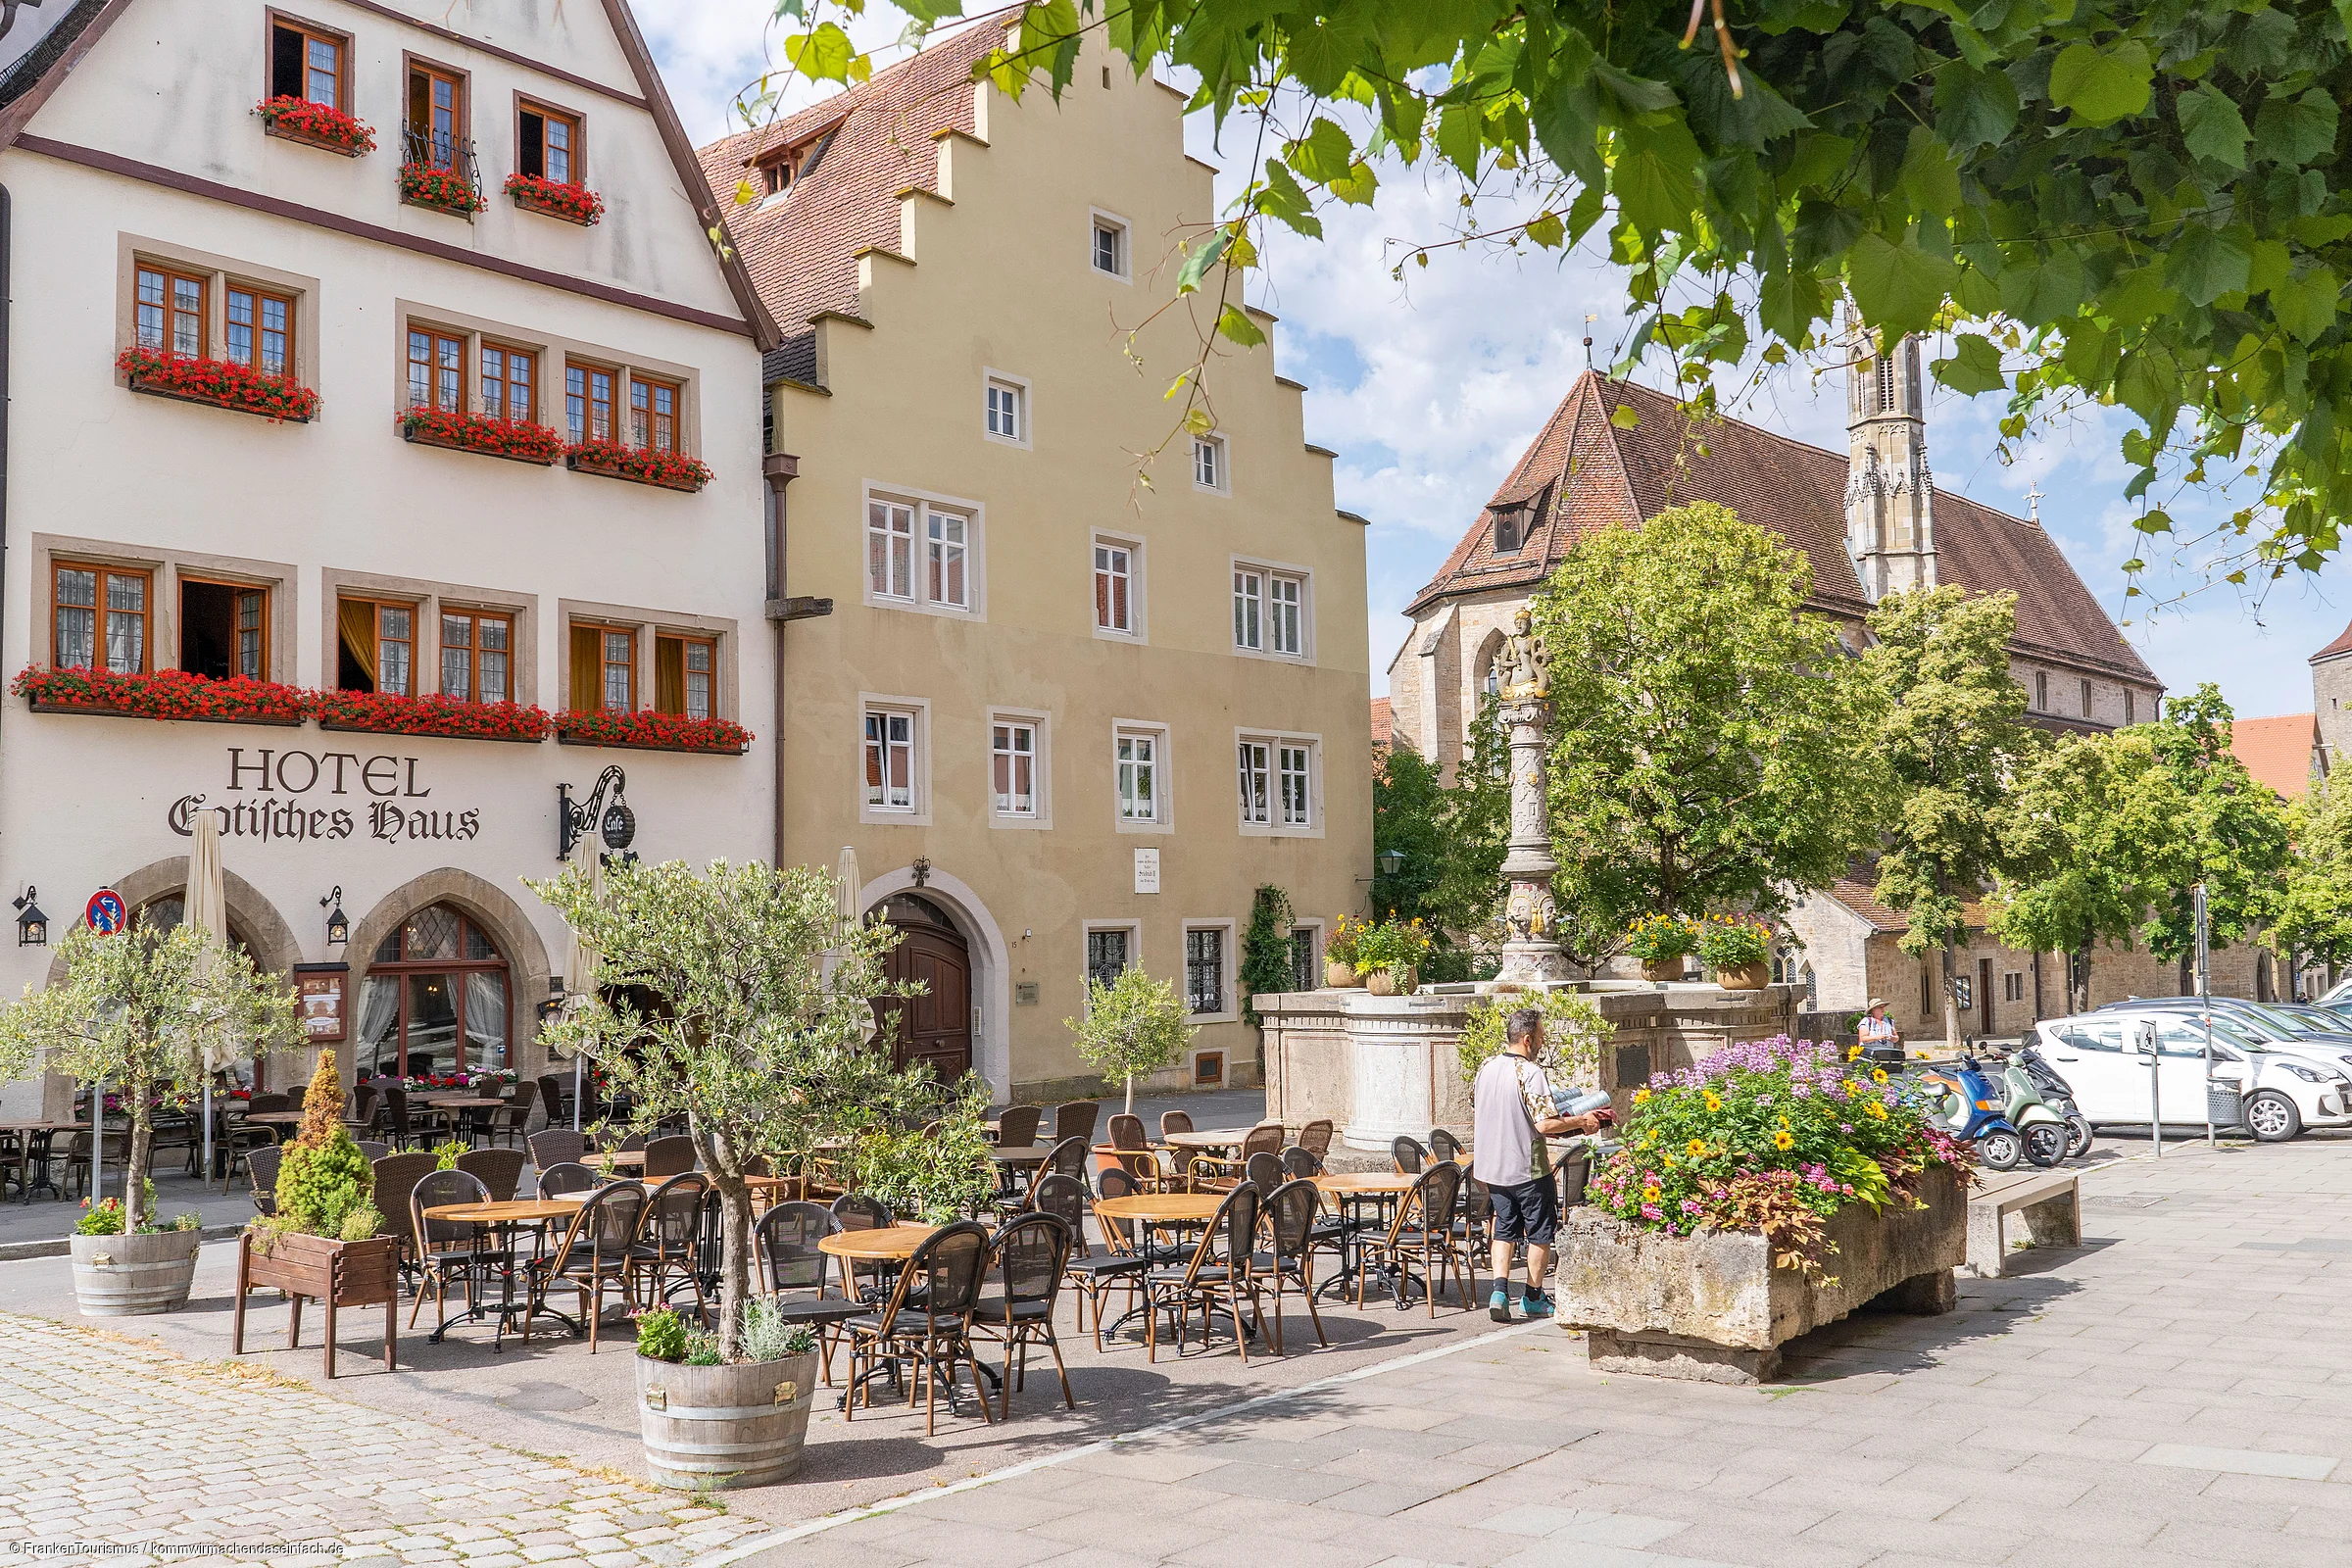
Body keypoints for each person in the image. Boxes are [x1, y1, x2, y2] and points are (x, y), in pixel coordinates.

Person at [1472, 1006, 1604, 1322]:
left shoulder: (1486, 1067)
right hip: (1527, 1167)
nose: (1543, 1043)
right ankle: (1532, 1296)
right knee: (1540, 1233)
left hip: (1492, 1166)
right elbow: (1544, 1125)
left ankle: (1499, 1292)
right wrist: (1581, 1121)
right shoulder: (1530, 1073)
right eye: (1542, 1038)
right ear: (1528, 1039)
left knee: (1503, 1229)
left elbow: (1476, 1103)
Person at [1859, 999, 1902, 1064]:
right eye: (1880, 1007)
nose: (1883, 1009)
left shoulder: (1889, 1021)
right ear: (1873, 1010)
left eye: (1883, 1006)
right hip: (1870, 1056)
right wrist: (1878, 1037)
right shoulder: (1867, 1021)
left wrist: (1892, 1038)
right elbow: (1863, 1038)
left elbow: (1896, 1038)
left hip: (1887, 1056)